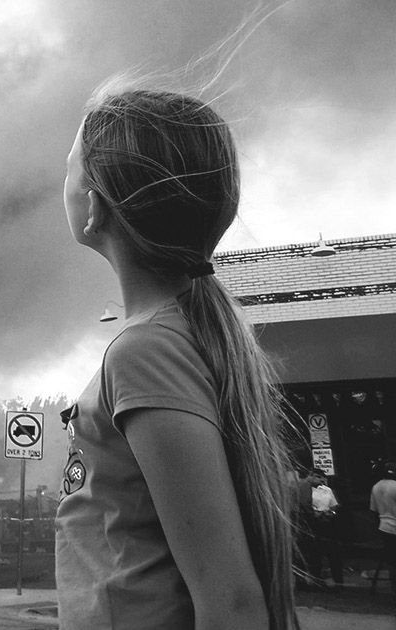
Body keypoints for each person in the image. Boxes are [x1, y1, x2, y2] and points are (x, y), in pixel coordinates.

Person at [54, 80, 298, 629]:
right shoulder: (174, 334)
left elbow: (231, 599)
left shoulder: (144, 351)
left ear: (93, 206)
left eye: (68, 167)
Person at [303, 468, 345, 591]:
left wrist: (331, 512)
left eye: (322, 477)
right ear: (310, 476)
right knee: (315, 555)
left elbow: (334, 505)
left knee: (334, 554)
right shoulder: (306, 489)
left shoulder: (327, 490)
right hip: (314, 524)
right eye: (317, 477)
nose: (320, 480)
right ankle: (317, 581)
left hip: (328, 524)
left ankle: (338, 581)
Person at [370, 461, 396, 599]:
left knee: (391, 559)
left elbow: (373, 510)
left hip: (384, 526)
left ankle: (394, 588)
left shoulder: (376, 487)